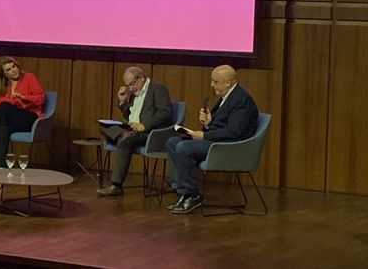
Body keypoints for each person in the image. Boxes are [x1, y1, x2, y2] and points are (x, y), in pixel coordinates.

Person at [166, 64, 258, 214]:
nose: (211, 84)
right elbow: (222, 127)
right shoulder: (226, 98)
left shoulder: (241, 100)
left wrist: (205, 135)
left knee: (184, 148)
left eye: (215, 81)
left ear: (228, 82)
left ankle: (192, 195)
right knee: (172, 142)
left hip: (229, 147)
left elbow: (234, 132)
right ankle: (183, 192)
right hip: (217, 142)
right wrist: (208, 125)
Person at [97, 66, 172, 197]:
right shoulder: (133, 93)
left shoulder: (158, 89)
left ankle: (116, 186)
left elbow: (164, 113)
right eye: (127, 86)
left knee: (126, 139)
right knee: (103, 126)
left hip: (148, 132)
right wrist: (122, 102)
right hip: (131, 128)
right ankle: (123, 136)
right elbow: (129, 116)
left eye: (132, 84)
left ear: (142, 78)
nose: (130, 88)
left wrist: (145, 125)